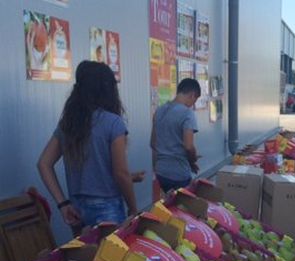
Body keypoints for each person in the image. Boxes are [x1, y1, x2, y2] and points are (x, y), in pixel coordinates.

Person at [38, 61, 141, 234]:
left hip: (77, 208)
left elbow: (43, 164)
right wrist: (133, 208)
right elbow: (120, 173)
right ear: (108, 90)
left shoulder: (69, 124)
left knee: (86, 259)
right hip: (108, 209)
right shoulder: (113, 123)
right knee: (110, 259)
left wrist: (63, 204)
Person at [151, 78, 201, 193]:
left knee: (169, 206)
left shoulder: (159, 111)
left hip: (161, 172)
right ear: (192, 95)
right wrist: (192, 161)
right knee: (183, 207)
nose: (192, 105)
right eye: (195, 101)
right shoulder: (187, 113)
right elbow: (188, 146)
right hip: (179, 174)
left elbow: (153, 143)